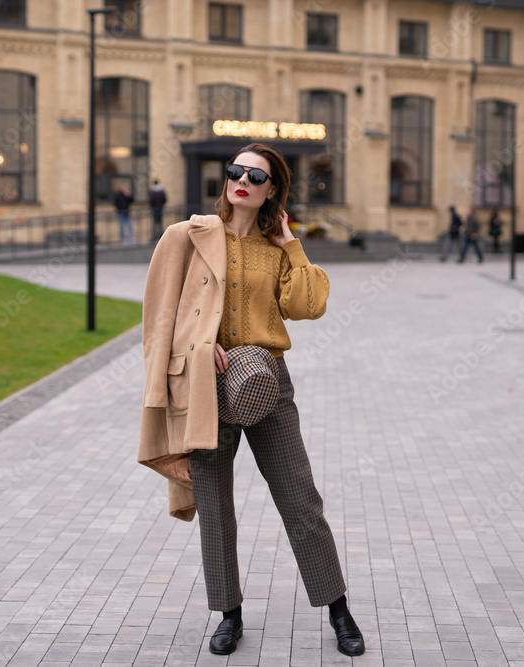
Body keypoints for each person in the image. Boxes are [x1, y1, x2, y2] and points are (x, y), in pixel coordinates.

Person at [138, 142, 365, 658]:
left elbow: (308, 305)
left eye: (255, 176)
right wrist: (199, 347)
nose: (241, 179)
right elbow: (159, 317)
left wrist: (291, 243)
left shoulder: (275, 249)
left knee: (301, 499)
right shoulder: (187, 236)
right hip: (207, 385)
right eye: (235, 171)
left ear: (272, 191)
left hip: (268, 384)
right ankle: (228, 613)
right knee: (215, 505)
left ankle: (338, 608)